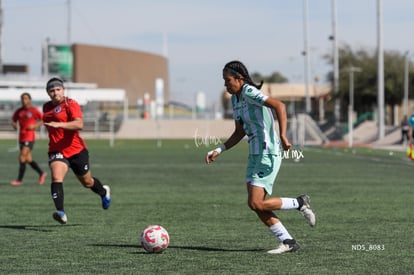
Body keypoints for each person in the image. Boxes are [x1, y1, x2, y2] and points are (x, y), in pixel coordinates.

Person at [205, 61, 316, 254]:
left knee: (257, 203)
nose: (225, 85)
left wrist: (282, 134)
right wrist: (219, 149)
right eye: (224, 81)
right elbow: (239, 132)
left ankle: (299, 203)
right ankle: (288, 241)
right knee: (254, 204)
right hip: (255, 153)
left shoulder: (248, 91)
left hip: (268, 152)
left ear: (239, 79)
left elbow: (279, 106)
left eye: (228, 80)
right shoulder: (235, 99)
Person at [42, 77, 111, 224]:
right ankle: (61, 212)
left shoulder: (71, 104)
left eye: (58, 89)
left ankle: (103, 192)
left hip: (76, 150)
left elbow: (79, 124)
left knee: (87, 182)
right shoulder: (46, 107)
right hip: (56, 150)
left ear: (63, 90)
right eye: (52, 91)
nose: (55, 93)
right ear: (48, 93)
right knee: (56, 176)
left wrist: (59, 125)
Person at [10, 92, 47, 186]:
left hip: (29, 137)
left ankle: (19, 180)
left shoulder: (34, 110)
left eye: (26, 98)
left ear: (29, 100)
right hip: (21, 137)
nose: (24, 100)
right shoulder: (19, 111)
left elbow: (44, 119)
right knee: (28, 159)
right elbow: (14, 121)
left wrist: (35, 125)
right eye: (22, 98)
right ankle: (41, 173)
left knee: (22, 157)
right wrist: (14, 125)